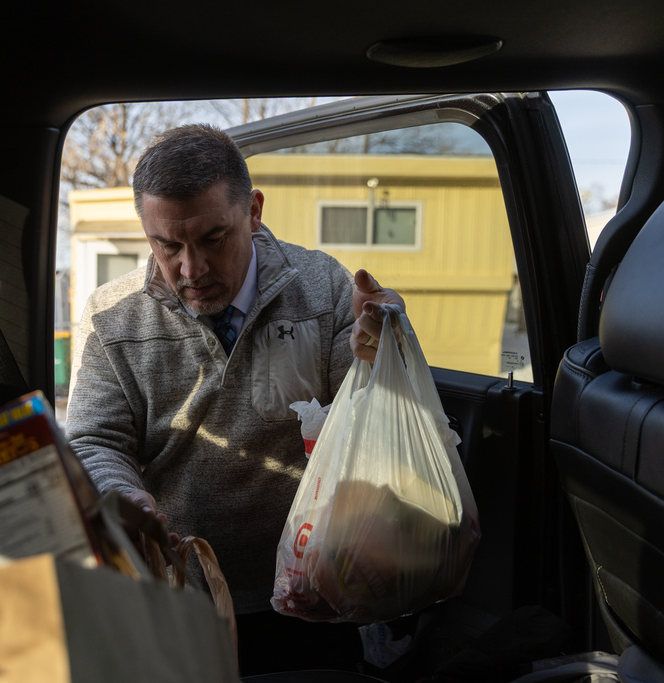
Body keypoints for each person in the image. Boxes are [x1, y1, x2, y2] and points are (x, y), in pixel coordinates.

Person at [66, 123, 404, 675]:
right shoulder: (113, 316)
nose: (190, 270)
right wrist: (120, 495)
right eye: (167, 245)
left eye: (212, 239)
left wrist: (384, 355)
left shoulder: (323, 288)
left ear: (253, 211)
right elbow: (94, 439)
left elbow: (372, 432)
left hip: (313, 593)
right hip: (180, 600)